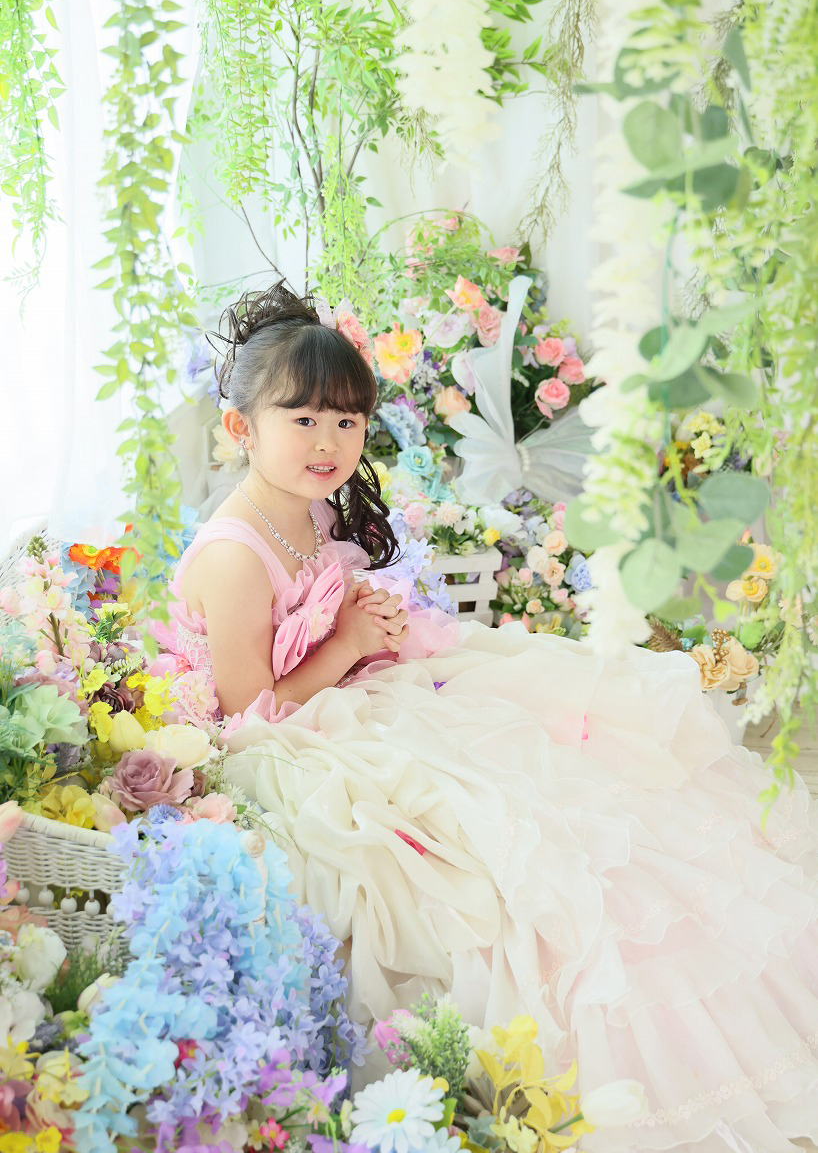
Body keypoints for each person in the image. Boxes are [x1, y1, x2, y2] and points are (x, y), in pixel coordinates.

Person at [157, 283, 818, 1153]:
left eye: (347, 421)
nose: (328, 442)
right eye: (304, 419)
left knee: (564, 751)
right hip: (284, 734)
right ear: (240, 427)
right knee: (489, 827)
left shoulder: (305, 510)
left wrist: (365, 627)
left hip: (352, 691)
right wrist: (349, 640)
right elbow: (251, 707)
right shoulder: (235, 553)